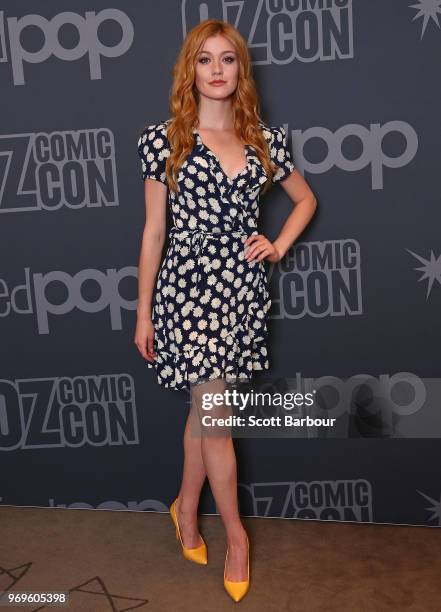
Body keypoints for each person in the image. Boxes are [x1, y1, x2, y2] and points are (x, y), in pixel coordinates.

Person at [135, 18, 317, 603]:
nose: (217, 70)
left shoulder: (263, 139)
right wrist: (143, 313)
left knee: (202, 411)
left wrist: (279, 244)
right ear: (190, 70)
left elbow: (306, 199)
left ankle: (186, 509)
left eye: (228, 59)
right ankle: (237, 537)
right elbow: (153, 231)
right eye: (205, 59)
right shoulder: (164, 140)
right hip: (186, 291)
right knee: (215, 414)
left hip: (241, 293)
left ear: (242, 70)